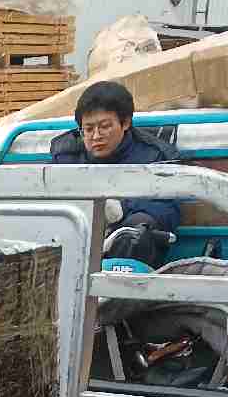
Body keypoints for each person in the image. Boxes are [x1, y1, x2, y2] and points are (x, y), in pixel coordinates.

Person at [50, 81, 181, 266]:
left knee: (138, 229)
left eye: (104, 126)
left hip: (127, 246)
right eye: (88, 129)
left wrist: (122, 208)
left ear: (125, 123)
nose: (96, 136)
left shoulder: (155, 156)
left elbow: (168, 210)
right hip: (77, 237)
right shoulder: (65, 155)